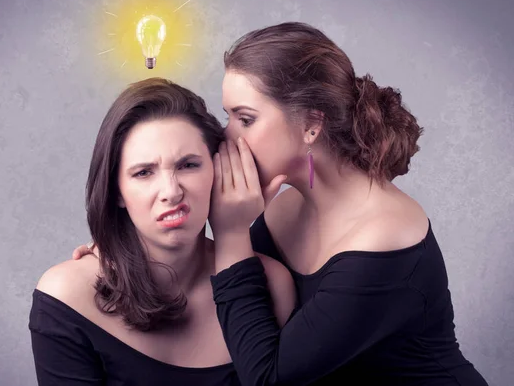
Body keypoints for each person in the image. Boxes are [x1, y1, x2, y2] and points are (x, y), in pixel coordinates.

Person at [75, 22, 488, 385]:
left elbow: (267, 376)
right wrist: (128, 254)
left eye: (245, 118)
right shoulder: (284, 207)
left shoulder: (385, 238)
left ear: (311, 125)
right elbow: (229, 284)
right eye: (228, 116)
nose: (226, 136)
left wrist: (234, 230)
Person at [29, 78, 295, 386]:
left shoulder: (273, 284)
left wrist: (233, 232)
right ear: (117, 191)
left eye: (188, 165)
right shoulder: (68, 295)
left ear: (219, 171)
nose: (171, 191)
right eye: (143, 173)